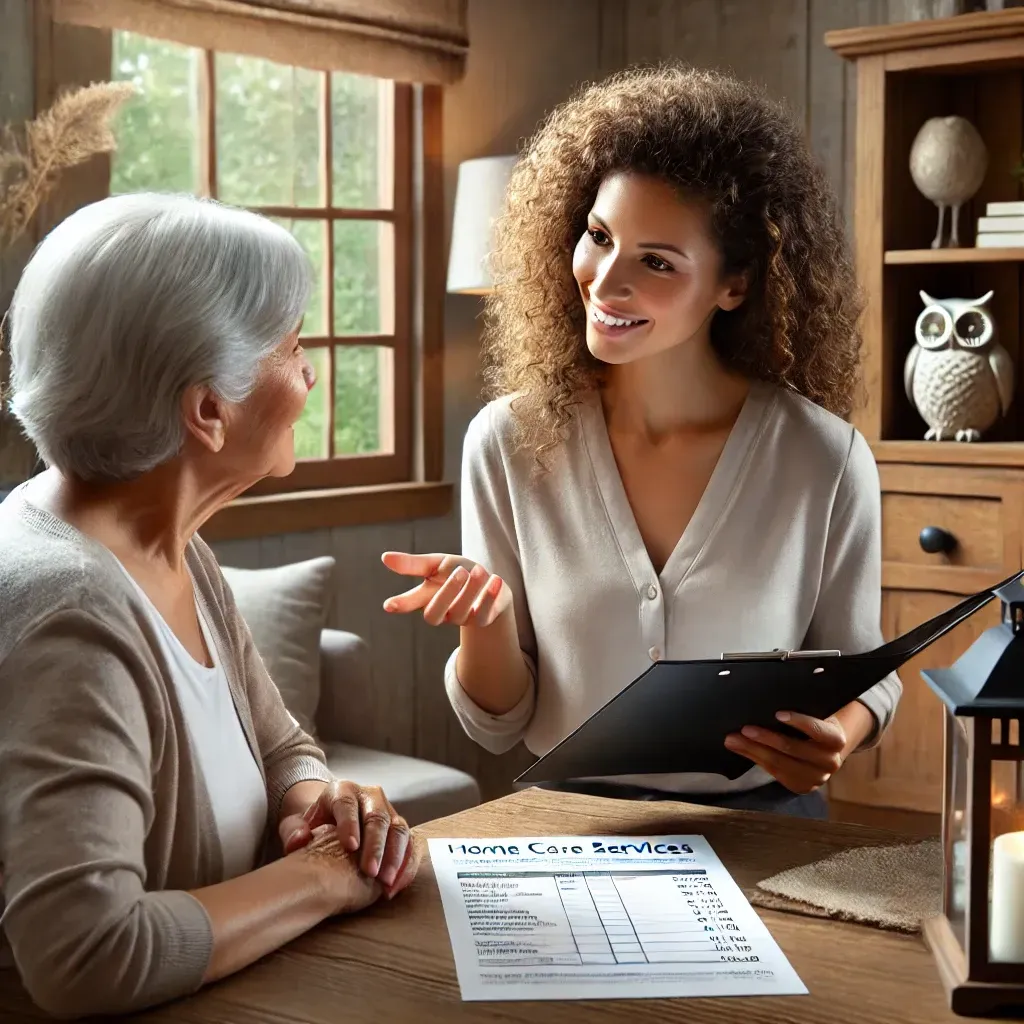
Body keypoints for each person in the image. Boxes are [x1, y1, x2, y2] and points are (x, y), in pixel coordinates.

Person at [382, 66, 902, 820]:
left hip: (761, 830)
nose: (604, 281)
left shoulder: (825, 458)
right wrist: (485, 623)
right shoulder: (507, 443)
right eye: (598, 237)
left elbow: (864, 669)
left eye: (656, 261)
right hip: (566, 825)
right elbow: (498, 723)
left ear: (736, 285)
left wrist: (839, 734)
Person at [0, 192, 420, 1019]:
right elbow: (86, 956)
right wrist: (324, 875)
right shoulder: (69, 609)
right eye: (293, 348)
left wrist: (322, 805)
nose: (309, 375)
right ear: (207, 411)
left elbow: (283, 744)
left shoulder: (170, 543)